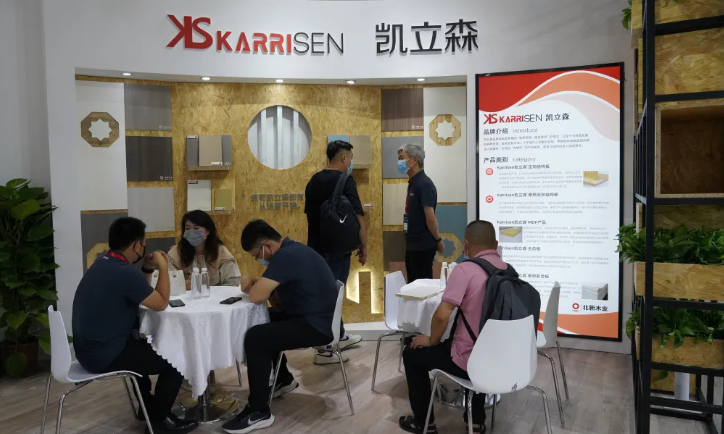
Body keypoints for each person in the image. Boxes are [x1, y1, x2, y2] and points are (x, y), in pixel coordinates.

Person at [72, 217, 198, 434]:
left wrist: (147, 269)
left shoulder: (103, 263)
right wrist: (163, 266)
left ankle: (148, 408)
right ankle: (160, 421)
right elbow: (160, 303)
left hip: (88, 350)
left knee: (144, 348)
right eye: (144, 243)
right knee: (177, 360)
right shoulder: (124, 272)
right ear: (137, 245)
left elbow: (141, 296)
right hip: (105, 354)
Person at [222, 220, 338, 434]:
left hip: (315, 325)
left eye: (256, 256)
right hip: (317, 318)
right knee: (263, 320)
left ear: (267, 246)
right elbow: (272, 293)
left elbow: (256, 296)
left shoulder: (285, 256)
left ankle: (258, 411)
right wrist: (258, 283)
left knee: (256, 337)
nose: (258, 260)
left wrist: (249, 282)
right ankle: (283, 379)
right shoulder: (294, 250)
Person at [399, 220, 504, 434]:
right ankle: (476, 422)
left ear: (465, 245)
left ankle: (424, 423)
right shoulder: (507, 271)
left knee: (411, 353)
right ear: (495, 244)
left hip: (469, 362)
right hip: (500, 359)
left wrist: (431, 340)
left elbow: (441, 316)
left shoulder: (466, 270)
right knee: (482, 342)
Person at [304, 140, 366, 364]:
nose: (351, 163)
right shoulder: (345, 181)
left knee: (325, 295)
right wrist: (364, 246)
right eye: (350, 158)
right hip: (337, 251)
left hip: (316, 250)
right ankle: (323, 350)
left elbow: (310, 217)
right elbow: (359, 217)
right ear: (343, 158)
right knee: (332, 297)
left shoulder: (313, 181)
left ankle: (339, 335)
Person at [398, 143, 445, 282]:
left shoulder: (424, 184)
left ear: (414, 160)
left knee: (422, 287)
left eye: (402, 158)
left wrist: (438, 240)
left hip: (422, 246)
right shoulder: (413, 183)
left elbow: (430, 218)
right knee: (412, 285)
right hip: (412, 244)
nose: (399, 162)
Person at [168, 210, 241, 288]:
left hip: (217, 295)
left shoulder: (221, 252)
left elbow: (233, 282)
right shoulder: (176, 252)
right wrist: (182, 284)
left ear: (208, 231)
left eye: (196, 228)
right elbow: (168, 280)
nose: (191, 232)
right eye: (187, 228)